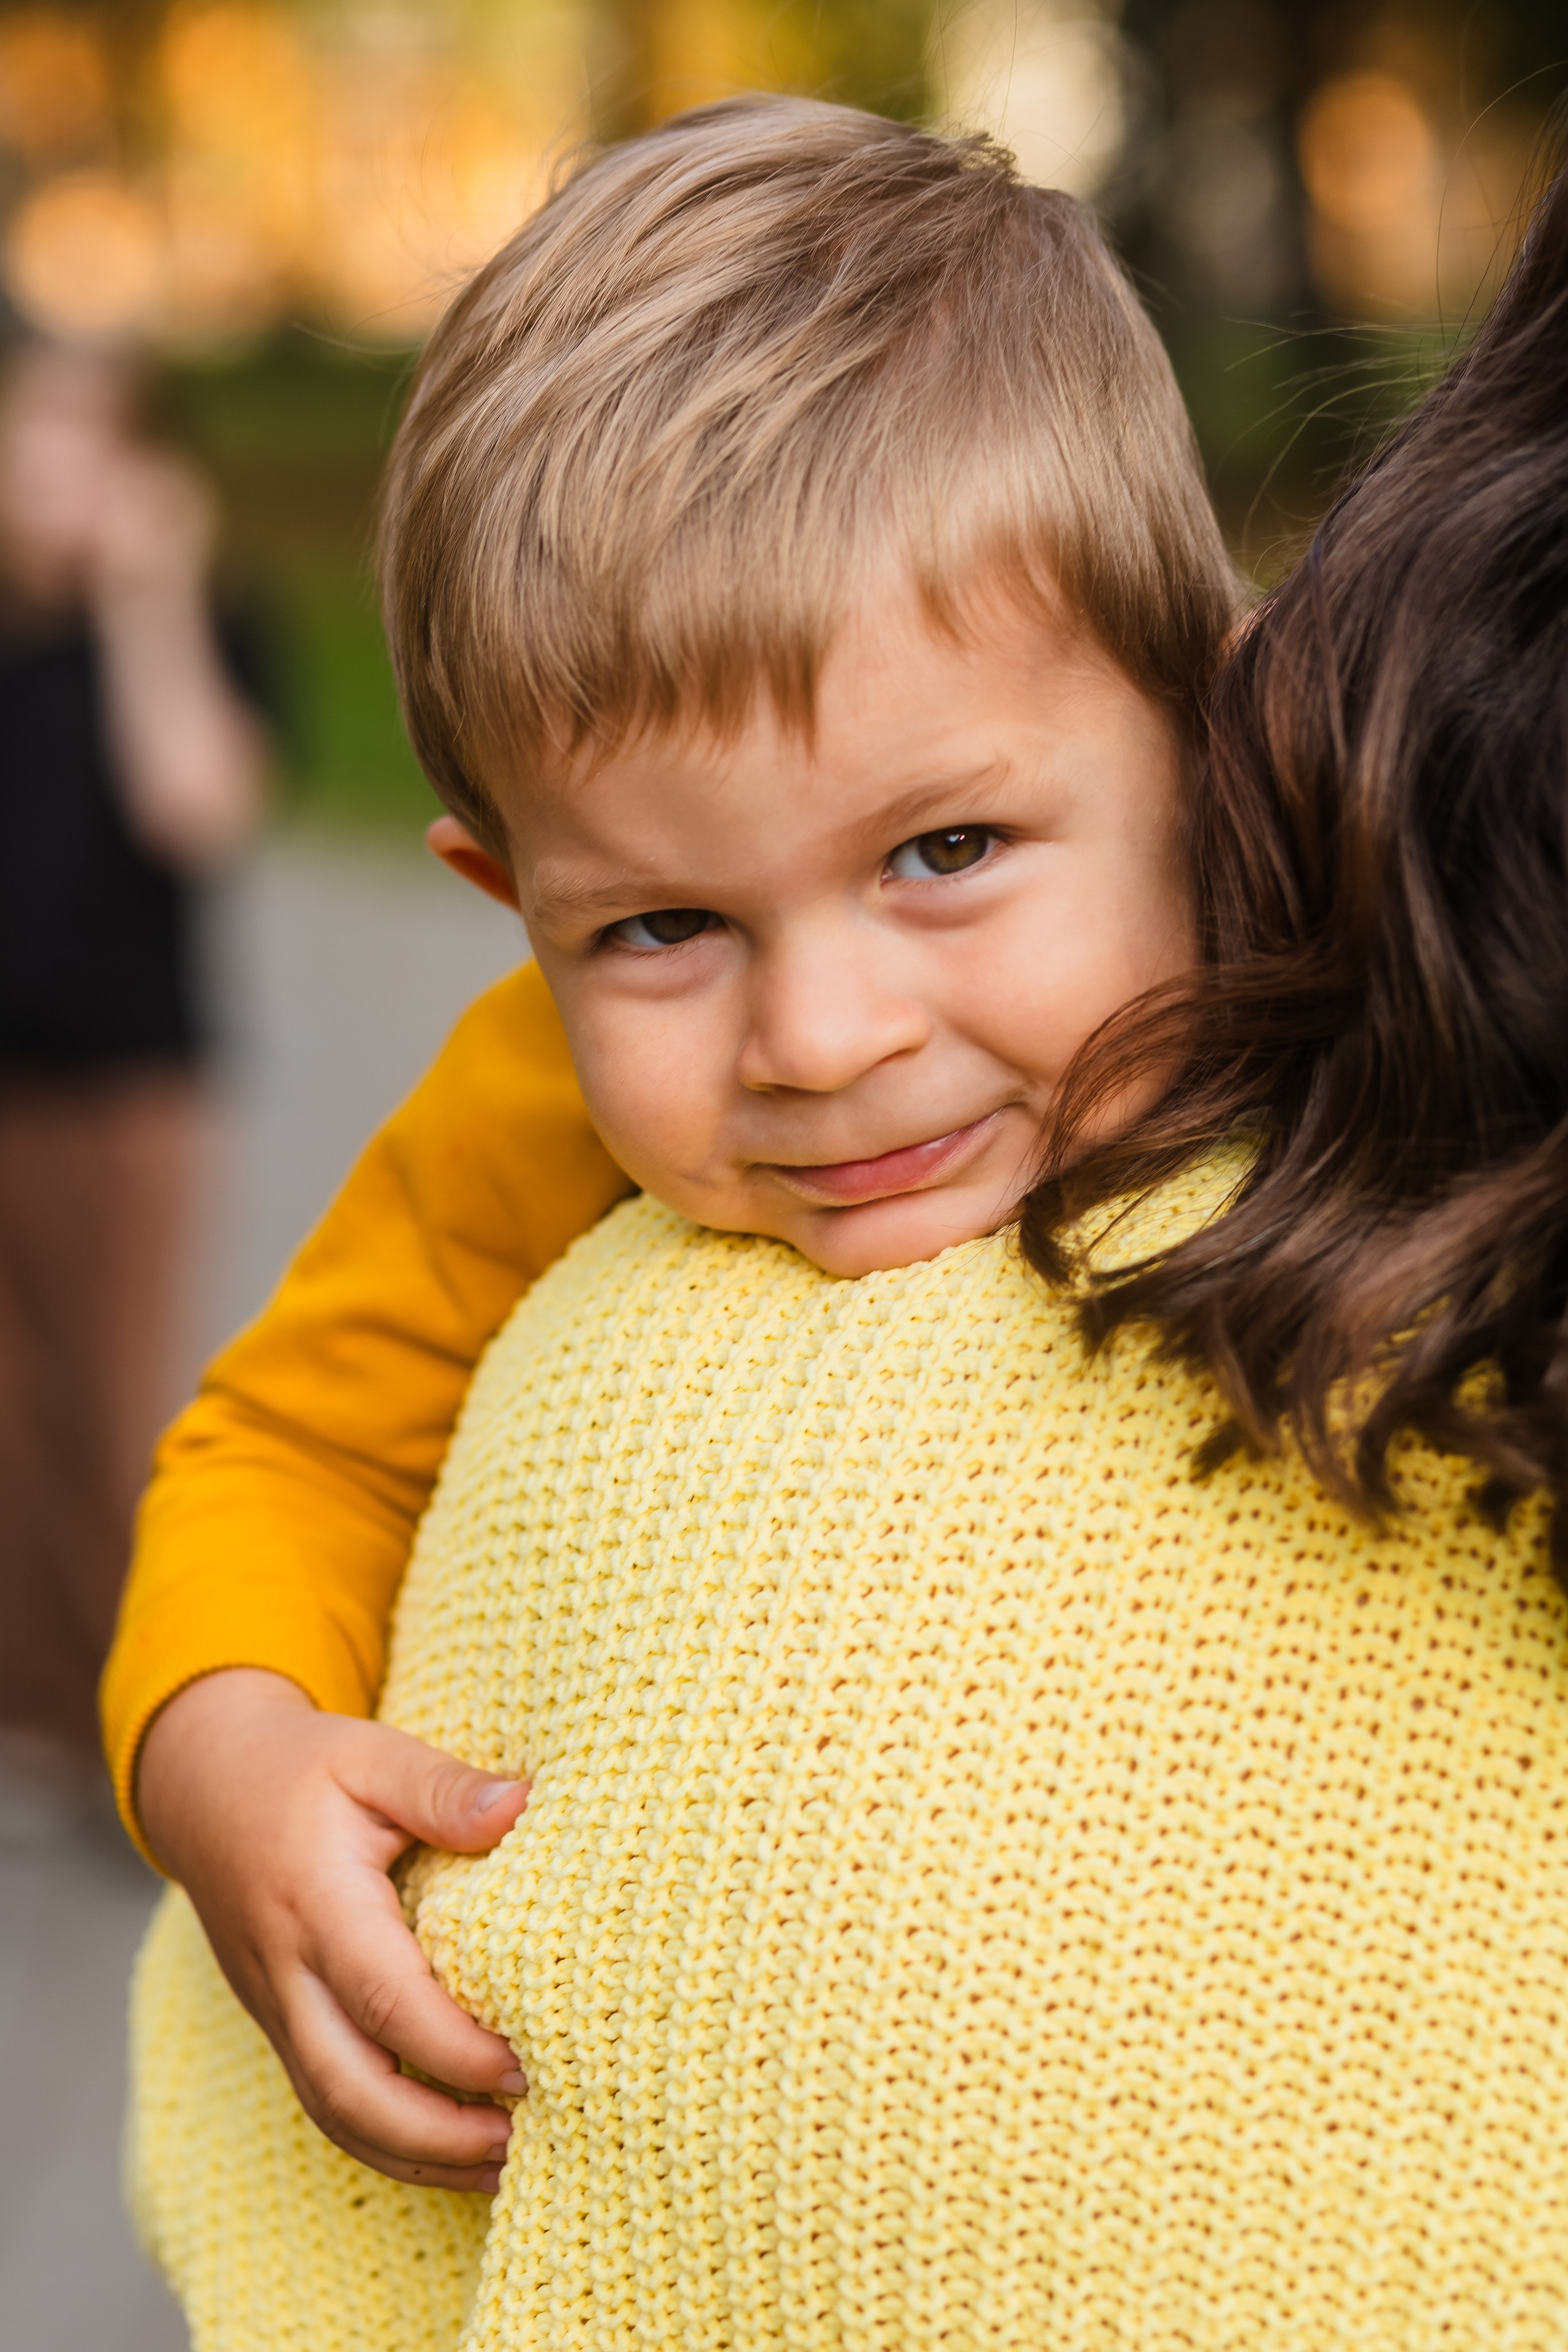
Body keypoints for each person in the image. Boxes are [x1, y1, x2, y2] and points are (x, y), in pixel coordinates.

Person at [119, 97, 1568, 2345]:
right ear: (510, 905)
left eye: (946, 855)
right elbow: (292, 1440)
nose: (818, 1034)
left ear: (1204, 719)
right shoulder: (530, 1096)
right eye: (665, 926)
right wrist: (221, 1751)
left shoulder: (1361, 922)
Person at [0, 340, 265, 1790]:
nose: (50, 475)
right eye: (30, 438)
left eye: (88, 445)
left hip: (124, 1089)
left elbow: (196, 807)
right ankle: (36, 1716)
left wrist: (147, 600)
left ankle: (148, 1734)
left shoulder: (194, 629)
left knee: (111, 1416)